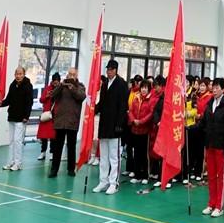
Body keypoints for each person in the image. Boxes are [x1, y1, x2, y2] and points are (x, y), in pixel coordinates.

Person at [193, 78, 224, 217]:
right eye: (214, 87)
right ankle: (211, 204)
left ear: (223, 89)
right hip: (210, 145)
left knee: (220, 177)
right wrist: (190, 129)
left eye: (217, 88)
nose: (215, 90)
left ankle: (219, 206)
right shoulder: (210, 103)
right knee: (211, 176)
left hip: (221, 147)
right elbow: (203, 123)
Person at [93, 60, 129, 195]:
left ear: (115, 70)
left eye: (111, 69)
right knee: (104, 156)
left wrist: (120, 124)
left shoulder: (121, 84)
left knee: (114, 157)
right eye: (107, 69)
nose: (109, 71)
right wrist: (94, 109)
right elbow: (102, 102)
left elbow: (123, 106)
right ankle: (103, 181)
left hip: (115, 126)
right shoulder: (105, 84)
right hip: (104, 125)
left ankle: (114, 183)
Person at [49, 68, 86, 177]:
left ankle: (71, 169)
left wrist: (72, 88)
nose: (71, 76)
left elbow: (81, 97)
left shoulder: (80, 87)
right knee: (57, 147)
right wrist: (61, 86)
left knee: (71, 146)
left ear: (76, 76)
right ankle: (54, 169)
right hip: (60, 121)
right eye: (70, 74)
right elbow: (53, 95)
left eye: (73, 74)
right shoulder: (62, 86)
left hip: (72, 121)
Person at [0, 67, 34, 171]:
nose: (18, 76)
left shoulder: (28, 86)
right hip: (12, 116)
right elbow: (8, 99)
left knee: (17, 141)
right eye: (16, 74)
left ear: (24, 74)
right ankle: (11, 162)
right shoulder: (12, 85)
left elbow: (29, 102)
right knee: (11, 141)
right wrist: (1, 104)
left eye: (20, 74)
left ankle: (18, 163)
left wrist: (26, 116)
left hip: (21, 118)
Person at [128, 80, 155, 185]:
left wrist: (141, 121)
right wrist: (133, 120)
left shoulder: (151, 100)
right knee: (136, 154)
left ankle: (145, 175)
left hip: (145, 131)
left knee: (144, 155)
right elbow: (130, 110)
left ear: (149, 89)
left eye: (146, 88)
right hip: (135, 130)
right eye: (142, 87)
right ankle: (137, 175)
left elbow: (151, 114)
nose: (144, 90)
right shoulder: (136, 98)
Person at [37, 72, 60, 161]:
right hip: (47, 115)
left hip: (55, 116)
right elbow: (41, 100)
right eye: (54, 82)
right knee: (44, 136)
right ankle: (43, 152)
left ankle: (52, 153)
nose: (55, 84)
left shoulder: (61, 89)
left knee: (53, 136)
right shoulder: (48, 88)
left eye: (57, 82)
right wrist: (47, 96)